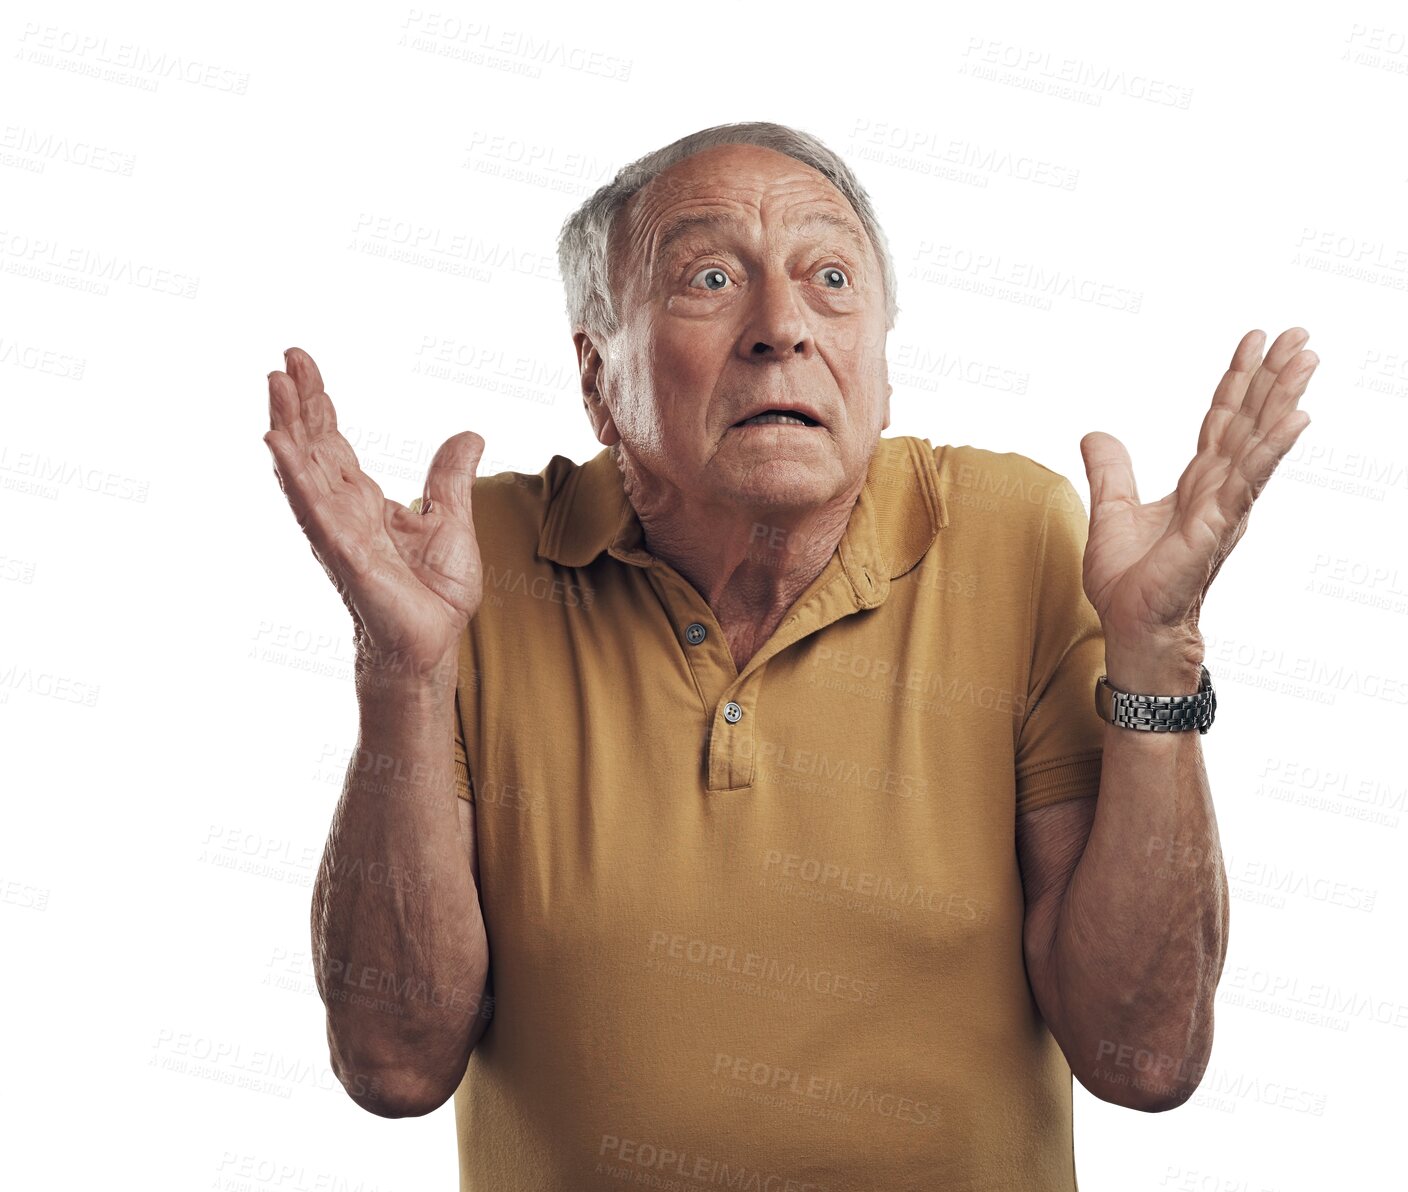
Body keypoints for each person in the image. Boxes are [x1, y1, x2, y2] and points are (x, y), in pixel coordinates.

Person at [263, 120, 1318, 1190]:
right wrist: (401, 675)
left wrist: (1156, 652)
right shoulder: (479, 567)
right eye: (710, 277)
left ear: (882, 365)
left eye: (830, 279)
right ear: (595, 375)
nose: (783, 328)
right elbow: (394, 1063)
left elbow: (1145, 1057)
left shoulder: (1019, 538)